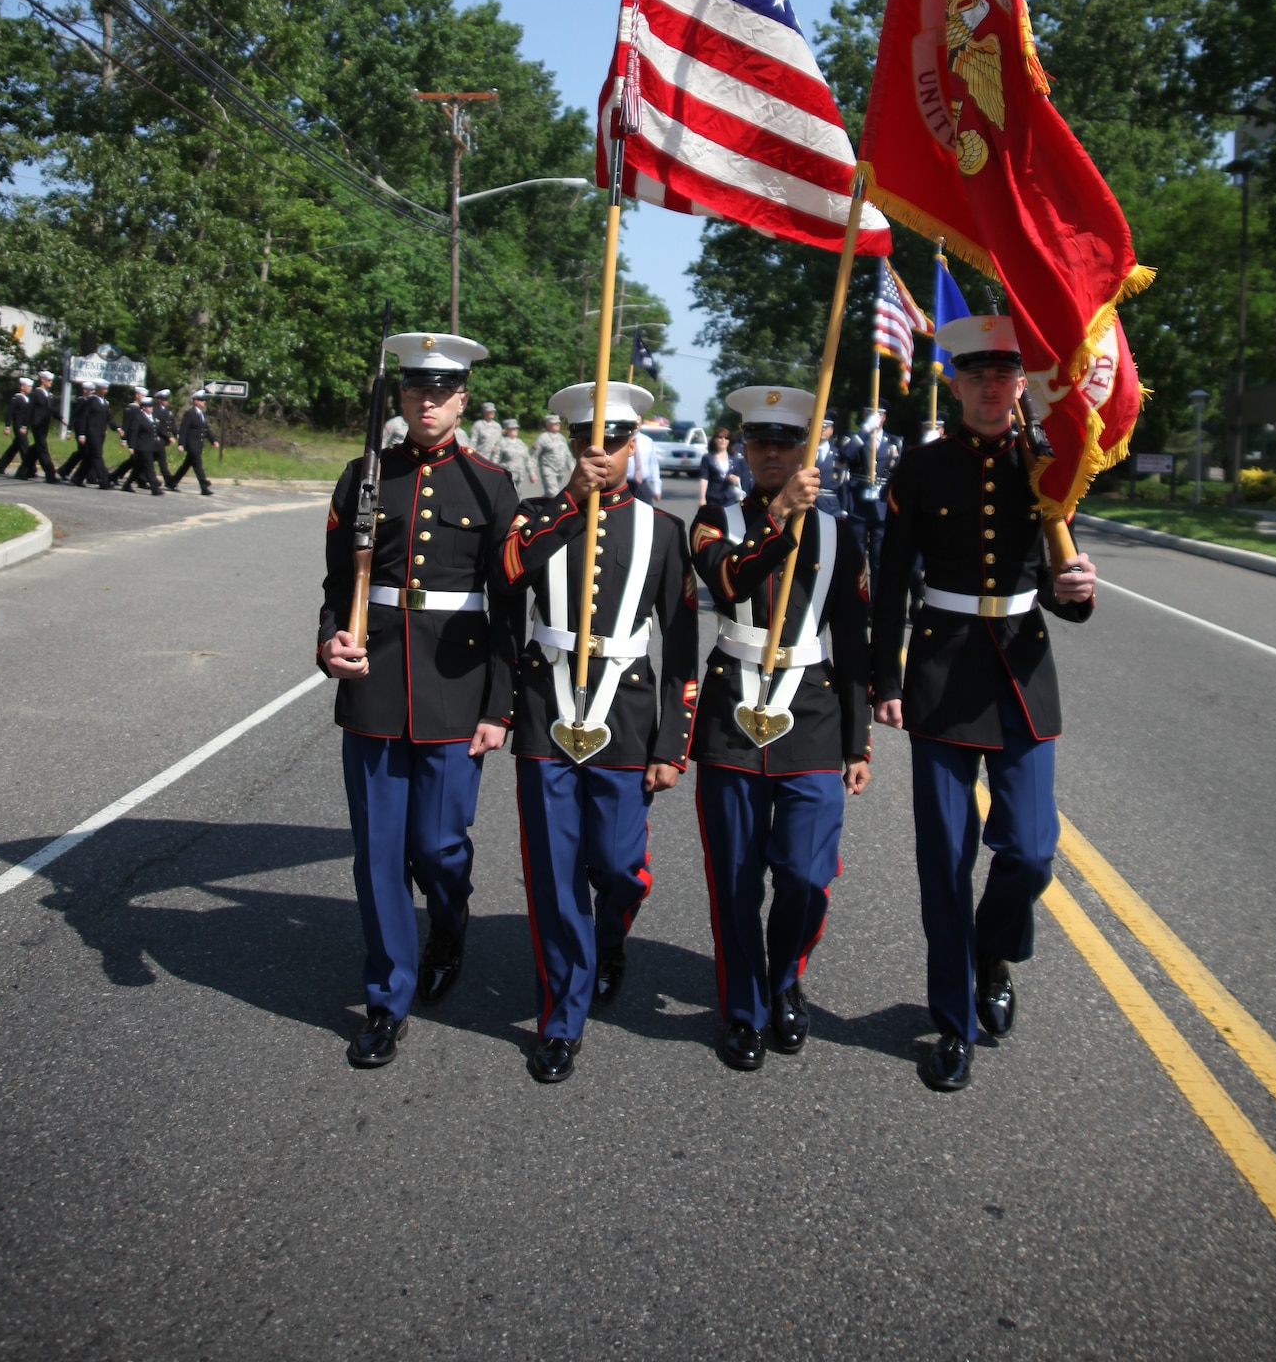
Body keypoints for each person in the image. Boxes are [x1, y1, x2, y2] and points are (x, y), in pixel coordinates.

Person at [871, 314, 1097, 1093]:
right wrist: (886, 680)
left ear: (1018, 384)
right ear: (954, 383)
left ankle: (993, 951)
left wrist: (1076, 592)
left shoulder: (1047, 465)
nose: (991, 388)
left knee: (1030, 850)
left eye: (1004, 376)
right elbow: (892, 577)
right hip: (940, 669)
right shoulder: (920, 468)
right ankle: (951, 1020)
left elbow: (1064, 586)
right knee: (943, 859)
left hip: (1021, 673)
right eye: (976, 376)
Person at [317, 331, 520, 1071]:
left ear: (462, 398)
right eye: (415, 390)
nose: (427, 402)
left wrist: (499, 707)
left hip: (456, 689)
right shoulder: (363, 475)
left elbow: (507, 610)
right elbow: (339, 584)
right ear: (399, 397)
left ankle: (449, 918)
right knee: (376, 856)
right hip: (374, 688)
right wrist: (329, 642)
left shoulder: (490, 484)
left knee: (437, 846)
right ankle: (386, 996)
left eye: (442, 391)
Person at [501, 380, 699, 1083]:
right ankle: (562, 1016)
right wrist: (563, 503)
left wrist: (673, 745)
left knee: (616, 868)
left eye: (614, 440)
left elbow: (680, 647)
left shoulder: (663, 530)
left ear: (632, 441)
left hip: (626, 714)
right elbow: (508, 572)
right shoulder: (537, 516)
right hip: (542, 710)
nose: (602, 452)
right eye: (590, 440)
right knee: (554, 877)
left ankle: (609, 937)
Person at [689, 385, 872, 1071]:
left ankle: (786, 975)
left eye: (785, 443)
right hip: (731, 715)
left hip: (815, 717)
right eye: (759, 442)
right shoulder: (713, 519)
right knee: (734, 879)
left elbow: (853, 642)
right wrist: (778, 522)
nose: (772, 453)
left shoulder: (840, 532)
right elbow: (728, 583)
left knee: (804, 875)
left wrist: (858, 741)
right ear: (741, 448)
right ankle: (744, 1008)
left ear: (807, 450)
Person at [845, 403, 901, 574]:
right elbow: (846, 454)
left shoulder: (894, 441)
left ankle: (876, 599)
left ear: (883, 417)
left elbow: (901, 469)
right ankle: (854, 598)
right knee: (855, 557)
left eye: (877, 414)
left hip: (882, 505)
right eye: (868, 414)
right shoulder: (856, 439)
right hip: (858, 505)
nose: (874, 418)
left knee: (879, 557)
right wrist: (864, 431)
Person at [70, 381, 118, 489]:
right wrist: (81, 434)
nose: (105, 391)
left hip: (100, 433)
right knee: (97, 455)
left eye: (106, 389)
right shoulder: (91, 401)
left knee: (89, 457)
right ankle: (104, 481)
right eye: (103, 388)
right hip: (91, 433)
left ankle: (77, 477)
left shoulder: (104, 402)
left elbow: (108, 418)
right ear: (98, 389)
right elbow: (83, 417)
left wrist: (117, 428)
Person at [169, 392, 217, 495]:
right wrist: (181, 444)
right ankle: (204, 486)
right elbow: (183, 429)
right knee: (198, 465)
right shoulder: (190, 413)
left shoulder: (202, 414)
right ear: (195, 401)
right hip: (192, 444)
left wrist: (213, 440)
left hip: (199, 445)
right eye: (201, 400)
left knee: (187, 465)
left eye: (204, 400)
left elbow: (206, 429)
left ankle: (172, 482)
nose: (203, 402)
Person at [15, 371, 59, 483]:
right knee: (43, 448)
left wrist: (62, 418)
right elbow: (29, 410)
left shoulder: (49, 395)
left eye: (51, 381)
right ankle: (51, 474)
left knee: (35, 449)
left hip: (45, 426)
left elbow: (53, 410)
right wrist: (24, 425)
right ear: (42, 380)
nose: (51, 383)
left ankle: (23, 472)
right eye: (49, 380)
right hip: (37, 425)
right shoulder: (36, 393)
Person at [120, 393, 164, 494]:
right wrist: (131, 446)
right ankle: (155, 488)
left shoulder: (151, 417)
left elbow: (153, 429)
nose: (151, 408)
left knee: (138, 468)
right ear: (143, 407)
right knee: (149, 467)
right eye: (149, 406)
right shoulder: (138, 417)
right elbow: (134, 432)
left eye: (151, 406)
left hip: (150, 446)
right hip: (142, 447)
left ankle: (127, 484)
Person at [698, 424, 748, 508]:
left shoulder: (735, 459)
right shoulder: (707, 458)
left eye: (726, 438)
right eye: (720, 437)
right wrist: (702, 498)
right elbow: (704, 479)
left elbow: (739, 476)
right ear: (715, 440)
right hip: (713, 498)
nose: (723, 440)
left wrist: (736, 479)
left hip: (730, 499)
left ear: (729, 441)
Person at [0, 379, 33, 476]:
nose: (30, 389)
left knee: (14, 448)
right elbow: (9, 413)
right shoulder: (16, 398)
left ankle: (0, 465)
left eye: (31, 387)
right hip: (18, 426)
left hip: (24, 427)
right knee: (25, 448)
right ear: (22, 387)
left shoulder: (28, 399)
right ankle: (29, 469)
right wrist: (7, 426)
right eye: (28, 386)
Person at [532, 412, 574, 498]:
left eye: (558, 423)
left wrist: (572, 468)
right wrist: (532, 473)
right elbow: (534, 456)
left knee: (550, 494)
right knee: (553, 493)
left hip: (560, 471)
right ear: (548, 424)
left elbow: (567, 454)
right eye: (554, 423)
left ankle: (542, 509)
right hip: (548, 469)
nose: (557, 425)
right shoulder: (543, 438)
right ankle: (552, 511)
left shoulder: (561, 438)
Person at [814, 411, 847, 516]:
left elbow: (843, 483)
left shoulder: (839, 454)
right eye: (820, 426)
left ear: (831, 430)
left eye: (826, 427)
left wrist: (844, 508)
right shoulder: (803, 452)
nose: (822, 429)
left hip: (830, 506)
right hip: (807, 503)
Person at [494, 417, 537, 496]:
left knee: (517, 496)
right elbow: (495, 461)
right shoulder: (501, 443)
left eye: (516, 428)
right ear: (507, 430)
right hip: (507, 476)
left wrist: (532, 474)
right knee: (507, 496)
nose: (515, 430)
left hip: (519, 476)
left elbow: (527, 460)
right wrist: (494, 475)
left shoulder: (521, 443)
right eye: (513, 429)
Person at [628, 424, 662, 505]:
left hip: (642, 485)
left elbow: (654, 465)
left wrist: (656, 488)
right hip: (624, 484)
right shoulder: (621, 440)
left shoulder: (647, 441)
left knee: (647, 512)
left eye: (638, 421)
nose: (636, 424)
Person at [152, 391, 177, 488]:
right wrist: (168, 437)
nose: (167, 401)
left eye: (167, 399)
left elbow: (171, 424)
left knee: (146, 461)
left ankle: (140, 477)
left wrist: (176, 434)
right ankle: (169, 481)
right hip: (157, 439)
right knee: (162, 461)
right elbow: (157, 427)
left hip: (163, 440)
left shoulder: (167, 410)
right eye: (164, 399)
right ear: (159, 400)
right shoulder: (155, 410)